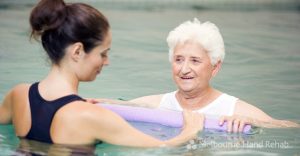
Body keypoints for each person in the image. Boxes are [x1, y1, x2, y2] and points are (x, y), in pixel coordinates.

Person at [0, 0, 204, 147]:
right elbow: (164, 147)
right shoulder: (91, 116)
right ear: (78, 51)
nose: (106, 62)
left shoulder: (18, 95)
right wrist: (191, 131)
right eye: (103, 53)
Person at [96, 18, 300, 132]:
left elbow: (291, 128)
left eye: (195, 60)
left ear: (215, 67)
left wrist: (254, 122)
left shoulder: (234, 109)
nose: (184, 69)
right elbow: (116, 106)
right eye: (178, 59)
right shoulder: (157, 103)